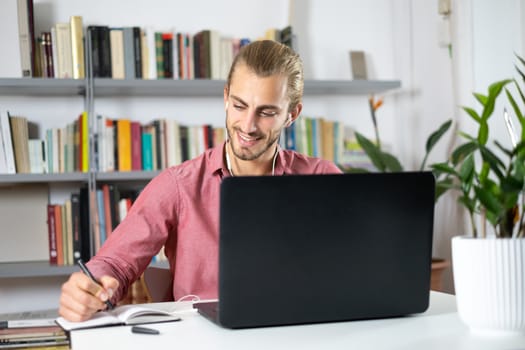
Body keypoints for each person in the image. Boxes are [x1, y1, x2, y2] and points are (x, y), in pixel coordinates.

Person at [59, 39, 342, 322]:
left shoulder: (323, 180)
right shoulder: (178, 185)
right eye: (239, 105)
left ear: (292, 114)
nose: (248, 125)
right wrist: (90, 287)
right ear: (226, 97)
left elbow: (365, 261)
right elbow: (115, 263)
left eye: (267, 112)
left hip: (299, 331)